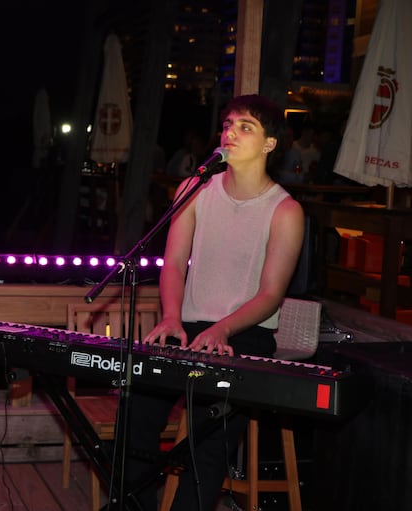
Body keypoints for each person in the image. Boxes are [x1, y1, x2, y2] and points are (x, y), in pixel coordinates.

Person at [126, 94, 305, 510]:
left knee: (209, 442)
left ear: (269, 144)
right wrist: (171, 316)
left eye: (246, 127)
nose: (230, 133)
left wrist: (223, 328)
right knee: (136, 411)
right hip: (184, 326)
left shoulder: (285, 210)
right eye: (227, 124)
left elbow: (271, 294)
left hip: (245, 335)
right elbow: (172, 265)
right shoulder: (193, 188)